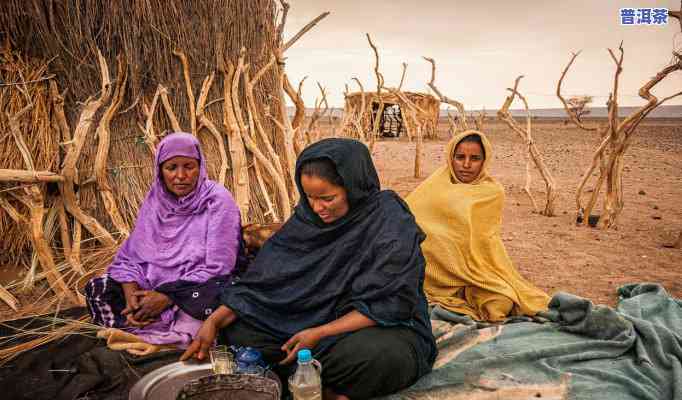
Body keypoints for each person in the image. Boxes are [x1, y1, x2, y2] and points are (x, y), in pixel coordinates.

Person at [181, 138, 437, 400]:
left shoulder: (388, 221)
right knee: (239, 331)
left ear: (354, 187)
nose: (317, 208)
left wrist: (319, 333)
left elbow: (391, 303)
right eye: (310, 197)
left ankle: (309, 379)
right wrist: (214, 320)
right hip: (304, 318)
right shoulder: (307, 219)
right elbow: (263, 283)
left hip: (369, 325)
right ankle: (319, 383)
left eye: (327, 198)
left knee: (382, 356)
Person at [85, 132, 242, 348]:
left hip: (195, 288)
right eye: (171, 168)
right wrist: (133, 298)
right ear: (160, 171)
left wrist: (168, 297)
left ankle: (155, 337)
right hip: (150, 286)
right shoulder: (155, 201)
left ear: (200, 166)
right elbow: (130, 257)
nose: (180, 175)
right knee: (99, 287)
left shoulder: (216, 201)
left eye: (188, 166)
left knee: (210, 307)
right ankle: (141, 326)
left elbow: (219, 266)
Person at [406, 130, 549, 322]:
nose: (466, 165)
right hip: (433, 273)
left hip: (476, 271)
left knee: (502, 302)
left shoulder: (492, 192)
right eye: (460, 157)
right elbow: (408, 220)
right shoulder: (434, 185)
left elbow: (488, 240)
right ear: (451, 157)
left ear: (484, 161)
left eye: (474, 158)